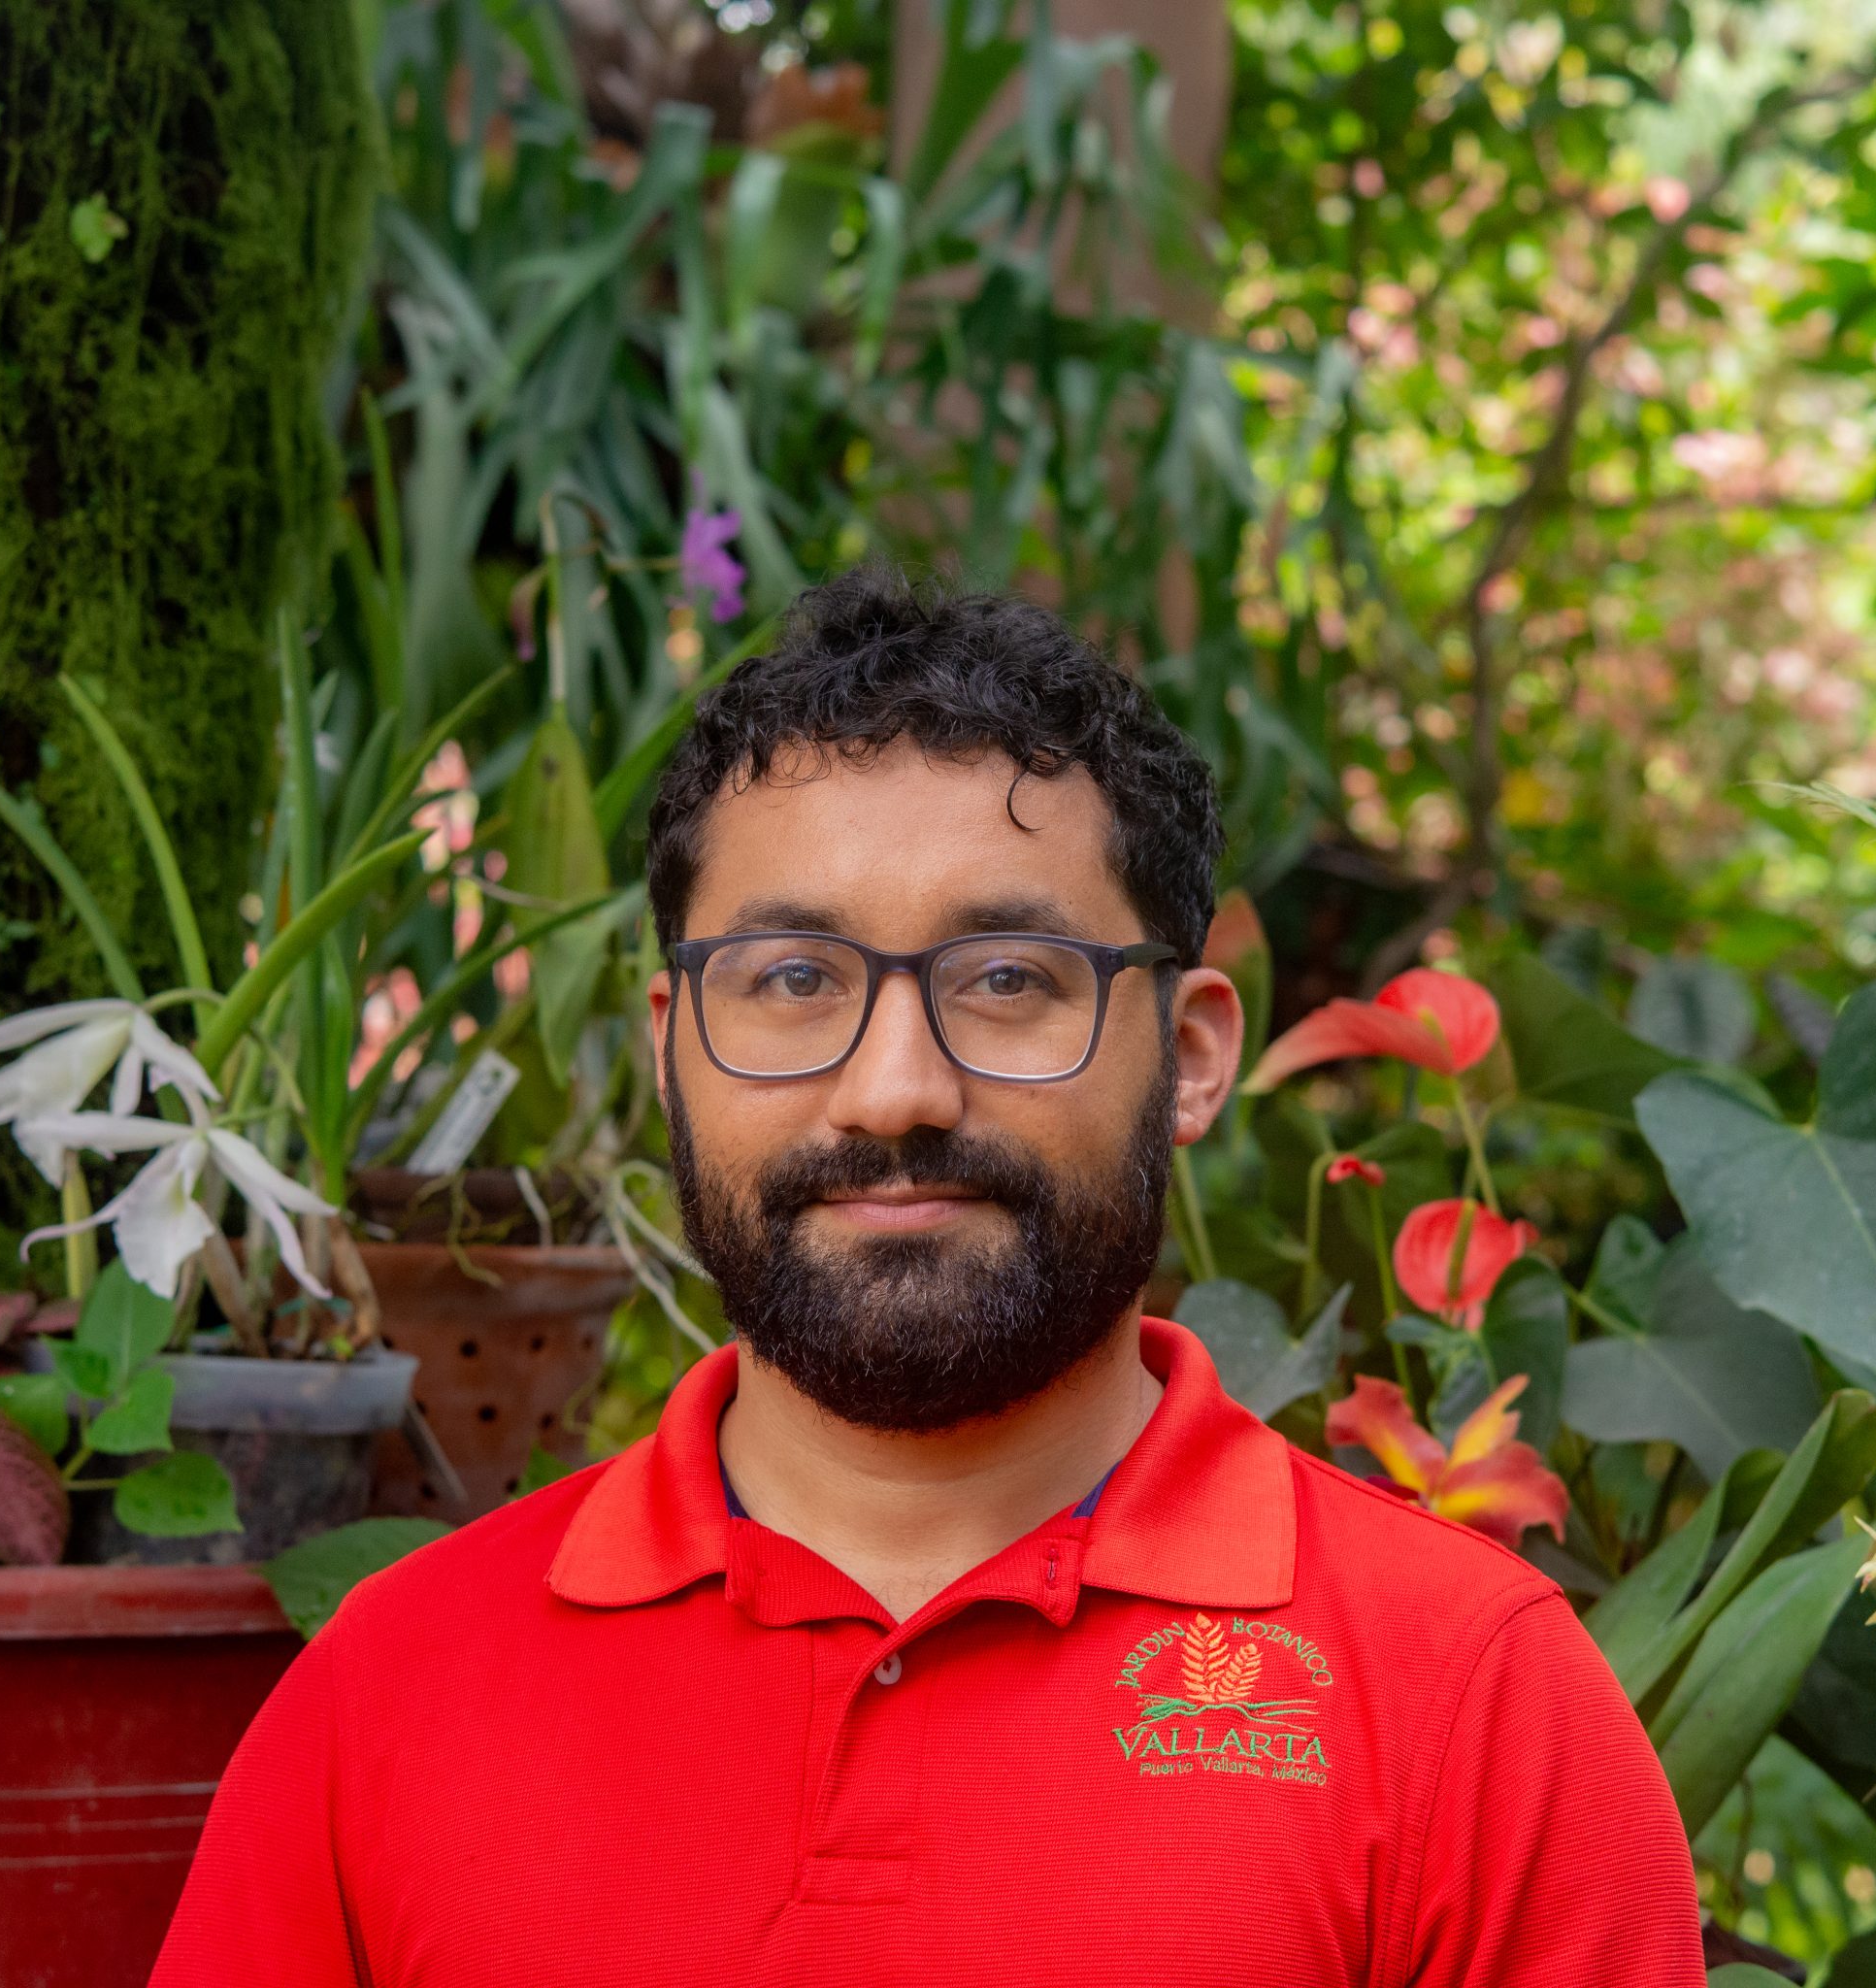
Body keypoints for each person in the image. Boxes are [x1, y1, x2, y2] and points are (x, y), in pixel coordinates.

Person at [152, 567, 1707, 1986]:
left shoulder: (1471, 1702)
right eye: (793, 981)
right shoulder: (396, 1692)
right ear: (671, 1049)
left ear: (1194, 1058)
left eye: (1011, 981)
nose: (894, 1091)